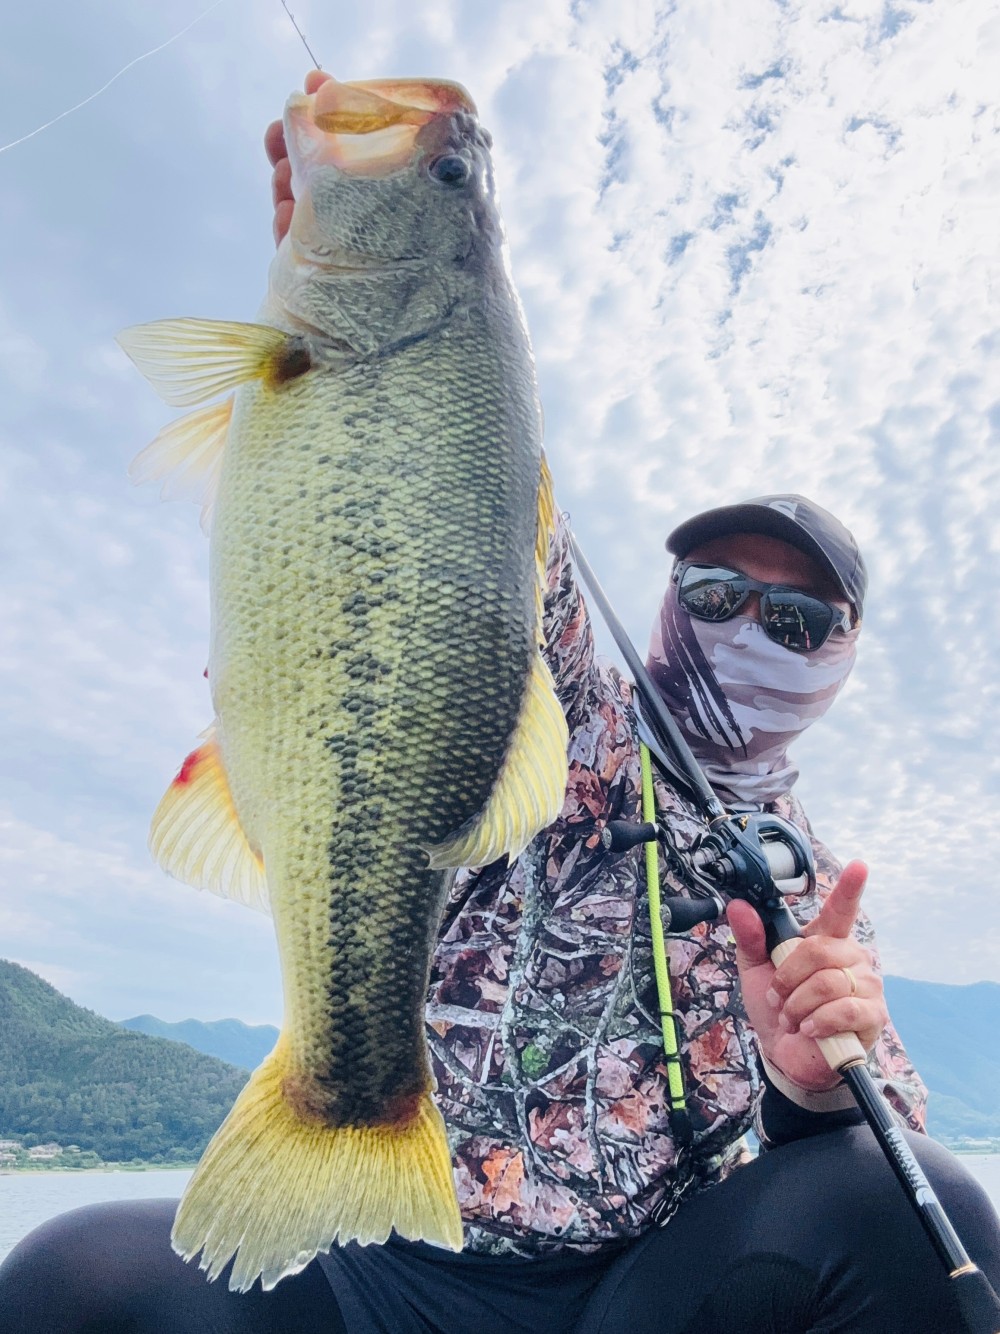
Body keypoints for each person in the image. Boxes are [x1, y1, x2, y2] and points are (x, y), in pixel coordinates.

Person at [3, 76, 998, 1334]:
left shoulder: (806, 880)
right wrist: (377, 246)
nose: (748, 625)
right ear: (665, 601)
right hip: (393, 1260)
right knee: (70, 1279)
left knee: (922, 1204)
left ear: (841, 659)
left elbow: (887, 1133)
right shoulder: (570, 698)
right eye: (714, 590)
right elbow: (469, 525)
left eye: (796, 618)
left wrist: (804, 1095)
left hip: (636, 1294)